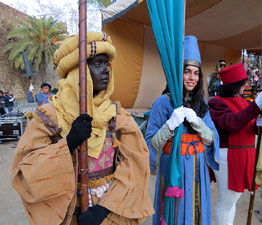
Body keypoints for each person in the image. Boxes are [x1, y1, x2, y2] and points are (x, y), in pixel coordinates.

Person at [11, 32, 154, 225]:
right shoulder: (47, 118)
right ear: (77, 72)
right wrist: (68, 144)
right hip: (68, 217)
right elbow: (25, 174)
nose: (106, 70)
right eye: (97, 64)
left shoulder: (118, 116)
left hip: (110, 215)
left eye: (106, 64)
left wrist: (103, 210)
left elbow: (136, 166)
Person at [145, 36, 219, 225]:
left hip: (198, 169)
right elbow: (149, 144)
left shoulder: (202, 104)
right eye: (187, 72)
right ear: (178, 73)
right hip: (173, 171)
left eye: (196, 73)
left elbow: (212, 139)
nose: (192, 78)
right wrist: (169, 126)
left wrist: (198, 123)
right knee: (175, 216)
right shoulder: (162, 103)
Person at [208, 63, 262, 225]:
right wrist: (256, 106)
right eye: (243, 83)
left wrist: (258, 124)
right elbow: (231, 124)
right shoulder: (216, 103)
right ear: (235, 85)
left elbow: (247, 126)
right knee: (227, 202)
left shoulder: (244, 102)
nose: (246, 86)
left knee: (231, 202)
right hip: (229, 156)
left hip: (242, 155)